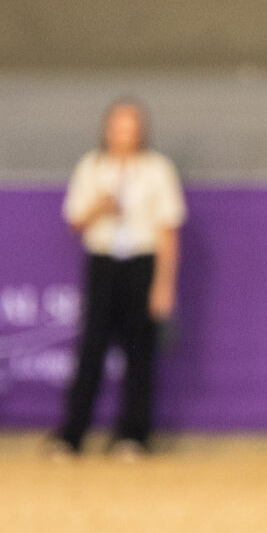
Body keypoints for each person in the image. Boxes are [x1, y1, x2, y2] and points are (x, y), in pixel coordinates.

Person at [54, 98, 184, 456]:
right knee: (91, 349)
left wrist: (163, 285)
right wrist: (99, 207)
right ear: (107, 130)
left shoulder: (157, 170)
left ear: (140, 132)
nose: (124, 135)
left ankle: (133, 436)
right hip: (104, 262)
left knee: (140, 352)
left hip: (142, 262)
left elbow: (168, 230)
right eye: (118, 127)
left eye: (131, 127)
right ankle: (71, 435)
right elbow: (74, 222)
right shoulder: (92, 168)